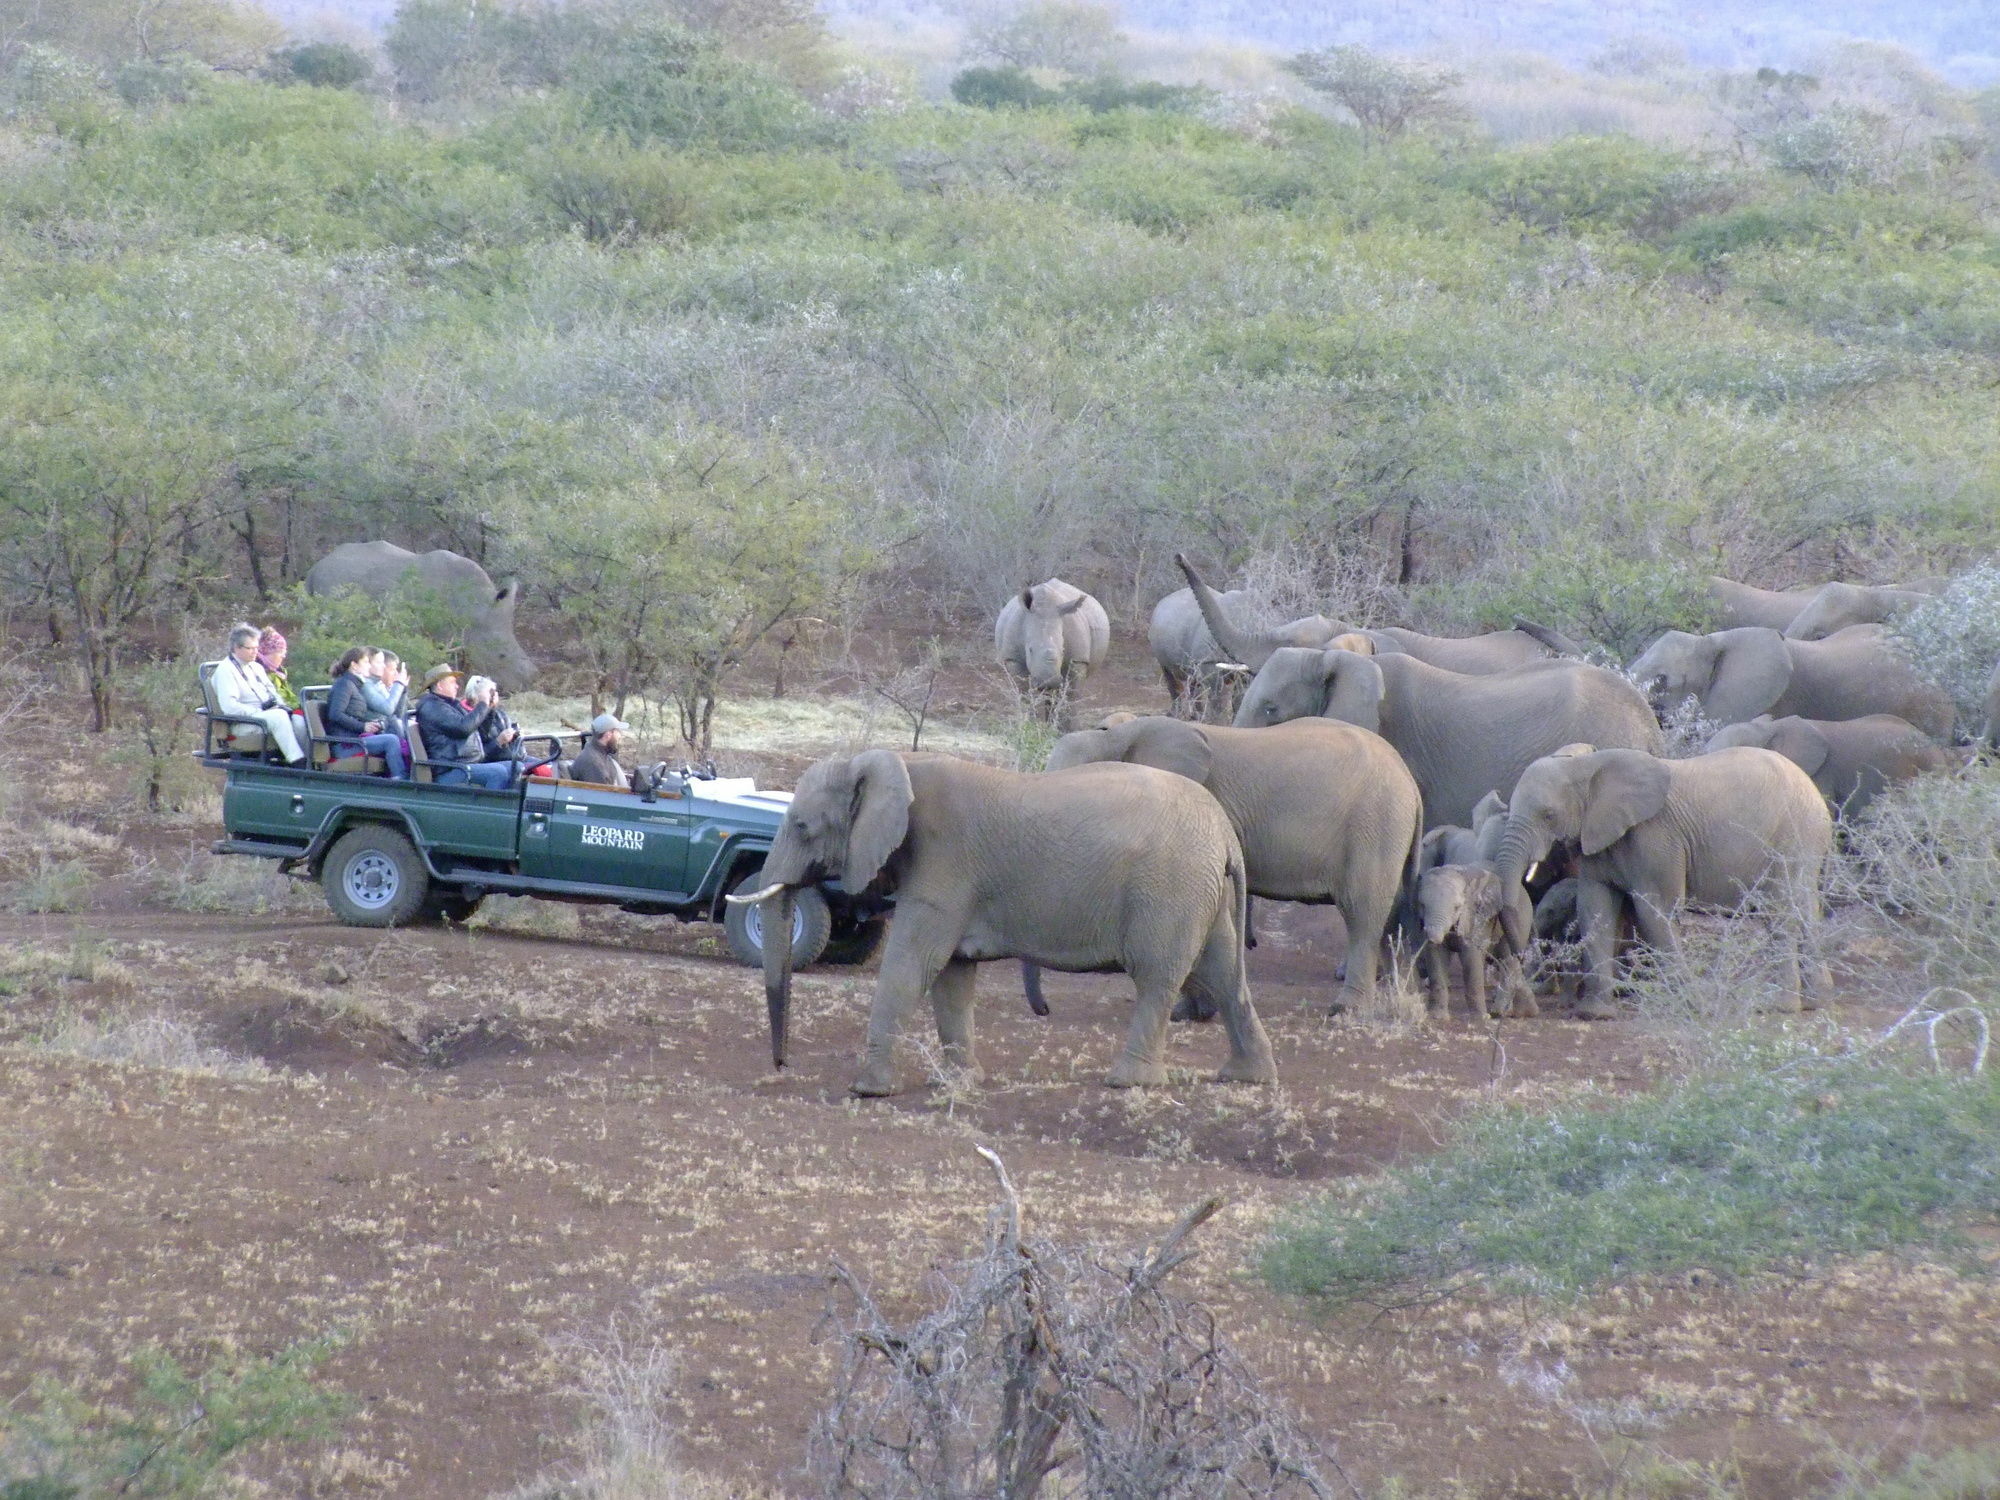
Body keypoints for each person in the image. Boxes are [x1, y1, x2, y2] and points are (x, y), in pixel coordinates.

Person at [212, 623, 305, 765]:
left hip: (265, 716)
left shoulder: (256, 667)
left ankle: (313, 761)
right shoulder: (226, 671)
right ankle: (297, 761)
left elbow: (272, 693)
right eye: (250, 648)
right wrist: (260, 711)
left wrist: (280, 705)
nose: (255, 652)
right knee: (278, 717)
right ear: (236, 648)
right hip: (244, 722)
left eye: (256, 648)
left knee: (298, 719)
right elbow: (230, 707)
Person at [414, 665, 512, 789]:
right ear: (439, 685)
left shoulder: (450, 704)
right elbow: (463, 729)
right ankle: (486, 807)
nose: (457, 686)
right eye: (452, 682)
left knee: (516, 768)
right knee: (498, 772)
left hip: (465, 763)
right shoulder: (432, 707)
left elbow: (479, 730)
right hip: (450, 769)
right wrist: (482, 704)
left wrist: (489, 707)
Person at [325, 647, 409, 779]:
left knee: (393, 733)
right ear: (354, 665)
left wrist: (370, 725)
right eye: (365, 662)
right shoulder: (344, 685)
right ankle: (400, 779)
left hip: (354, 740)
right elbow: (335, 714)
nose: (369, 666)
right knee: (391, 740)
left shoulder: (354, 685)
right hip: (345, 745)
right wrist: (363, 727)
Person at [465, 675, 524, 769]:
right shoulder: (468, 719)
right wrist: (498, 742)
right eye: (490, 693)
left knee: (546, 765)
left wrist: (515, 736)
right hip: (492, 763)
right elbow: (476, 755)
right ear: (475, 697)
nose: (493, 696)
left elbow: (517, 751)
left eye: (494, 692)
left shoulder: (499, 714)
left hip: (512, 757)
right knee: (521, 768)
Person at [567, 713, 637, 790]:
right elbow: (604, 797)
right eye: (618, 731)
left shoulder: (601, 755)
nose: (620, 735)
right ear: (608, 735)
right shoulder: (593, 763)